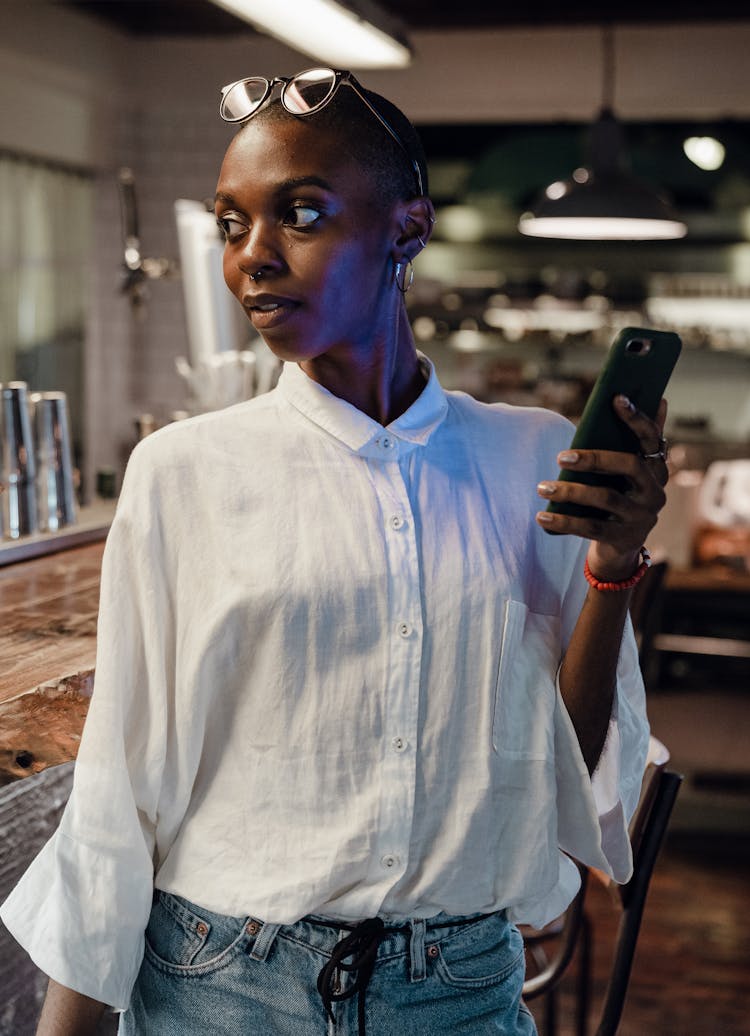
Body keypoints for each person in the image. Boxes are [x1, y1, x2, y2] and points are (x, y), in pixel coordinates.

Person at [1, 69, 666, 1036]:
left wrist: (612, 569)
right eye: (233, 225)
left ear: (407, 229)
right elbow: (120, 785)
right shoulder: (182, 472)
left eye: (301, 215)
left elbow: (568, 770)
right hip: (219, 986)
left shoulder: (530, 456)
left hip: (459, 990)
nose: (252, 259)